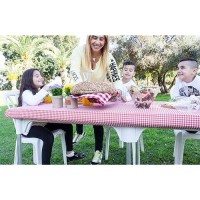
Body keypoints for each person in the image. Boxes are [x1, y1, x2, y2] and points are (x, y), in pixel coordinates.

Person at [70, 35, 123, 164]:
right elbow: (74, 70)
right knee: (77, 115)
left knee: (97, 121)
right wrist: (82, 87)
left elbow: (116, 77)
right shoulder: (79, 51)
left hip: (98, 94)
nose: (97, 42)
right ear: (89, 39)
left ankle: (98, 152)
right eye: (95, 38)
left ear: (105, 41)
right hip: (81, 90)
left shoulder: (108, 57)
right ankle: (79, 132)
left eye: (101, 39)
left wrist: (119, 89)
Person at [18, 68, 85, 164]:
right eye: (37, 76)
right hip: (28, 128)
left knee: (67, 125)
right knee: (48, 136)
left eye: (40, 75)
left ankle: (70, 154)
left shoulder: (37, 92)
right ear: (28, 79)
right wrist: (44, 89)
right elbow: (33, 101)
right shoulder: (26, 93)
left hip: (41, 124)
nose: (41, 77)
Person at [170, 57, 200, 133]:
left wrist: (184, 100)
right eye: (178, 68)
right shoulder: (178, 81)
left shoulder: (198, 81)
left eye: (182, 68)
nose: (179, 71)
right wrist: (193, 100)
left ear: (194, 71)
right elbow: (176, 97)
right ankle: (188, 125)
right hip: (183, 113)